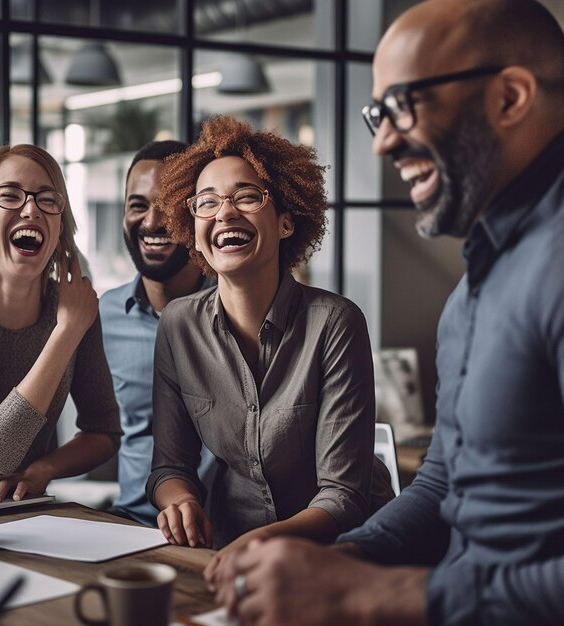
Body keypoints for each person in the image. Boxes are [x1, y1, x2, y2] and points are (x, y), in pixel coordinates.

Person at [211, 0, 564, 625]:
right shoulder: (472, 294)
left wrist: (377, 594)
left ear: (510, 97)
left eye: (403, 105)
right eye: (378, 114)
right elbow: (442, 486)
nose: (382, 143)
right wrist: (339, 563)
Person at [146, 115, 394, 578]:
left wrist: (255, 544)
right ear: (192, 224)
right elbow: (169, 466)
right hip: (227, 554)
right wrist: (180, 501)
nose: (225, 213)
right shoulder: (178, 325)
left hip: (339, 559)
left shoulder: (335, 323)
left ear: (284, 222)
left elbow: (343, 495)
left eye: (246, 196)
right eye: (207, 202)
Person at [0, 144, 121, 502]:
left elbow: (104, 432)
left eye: (47, 199)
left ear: (58, 226)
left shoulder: (77, 307)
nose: (31, 208)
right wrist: (66, 332)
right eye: (10, 195)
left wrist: (44, 470)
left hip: (27, 513)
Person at [100, 140, 215, 527]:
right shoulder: (102, 316)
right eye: (137, 205)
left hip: (226, 534)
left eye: (168, 204)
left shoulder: (238, 312)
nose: (151, 222)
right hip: (131, 526)